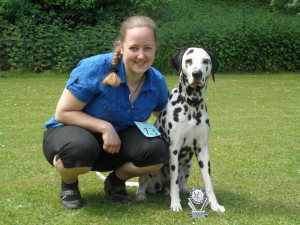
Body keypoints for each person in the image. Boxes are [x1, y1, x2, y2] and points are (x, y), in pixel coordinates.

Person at [42, 15, 169, 209]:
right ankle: (69, 184)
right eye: (134, 48)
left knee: (158, 151)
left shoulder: (156, 80)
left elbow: (165, 115)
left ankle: (116, 181)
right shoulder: (94, 68)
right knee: (78, 150)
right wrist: (104, 127)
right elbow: (63, 113)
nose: (141, 55)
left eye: (147, 48)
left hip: (117, 144)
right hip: (72, 135)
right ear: (121, 46)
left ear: (155, 48)